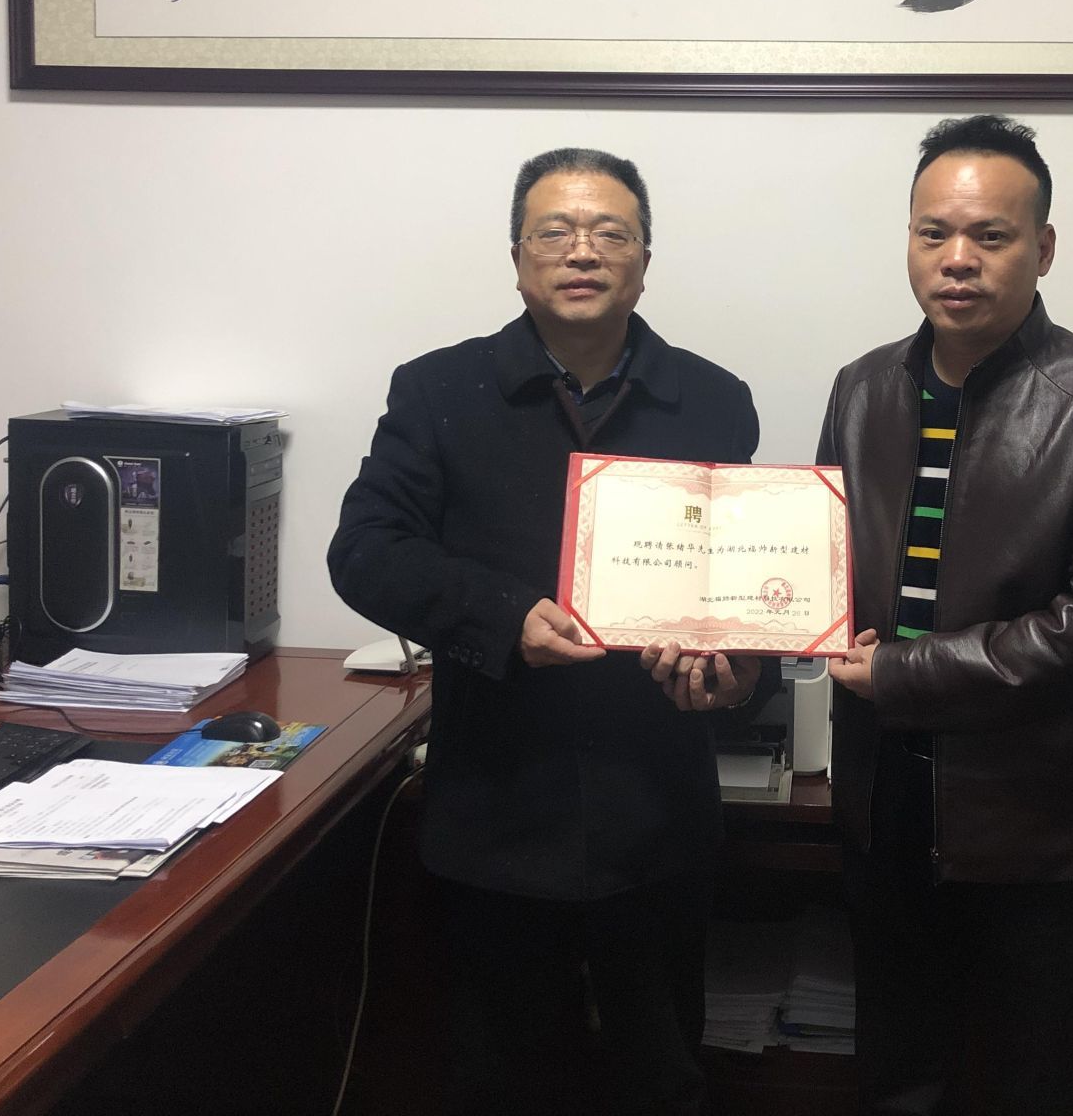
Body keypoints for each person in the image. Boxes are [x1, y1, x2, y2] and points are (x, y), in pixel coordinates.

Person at [328, 148, 766, 1116]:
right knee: (501, 1084)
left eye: (611, 233)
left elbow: (743, 586)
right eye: (555, 232)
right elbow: (364, 550)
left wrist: (738, 672)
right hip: (496, 812)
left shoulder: (712, 399)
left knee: (662, 1080)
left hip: (657, 816)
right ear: (517, 258)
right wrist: (501, 615)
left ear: (644, 261)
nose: (583, 251)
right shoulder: (439, 391)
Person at [818, 114, 1073, 1116]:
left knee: (1034, 1081)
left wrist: (903, 673)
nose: (958, 259)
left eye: (990, 235)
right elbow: (818, 578)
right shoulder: (862, 390)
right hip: (885, 802)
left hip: (1040, 820)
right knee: (898, 1074)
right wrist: (730, 641)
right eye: (933, 232)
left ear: (1044, 247)